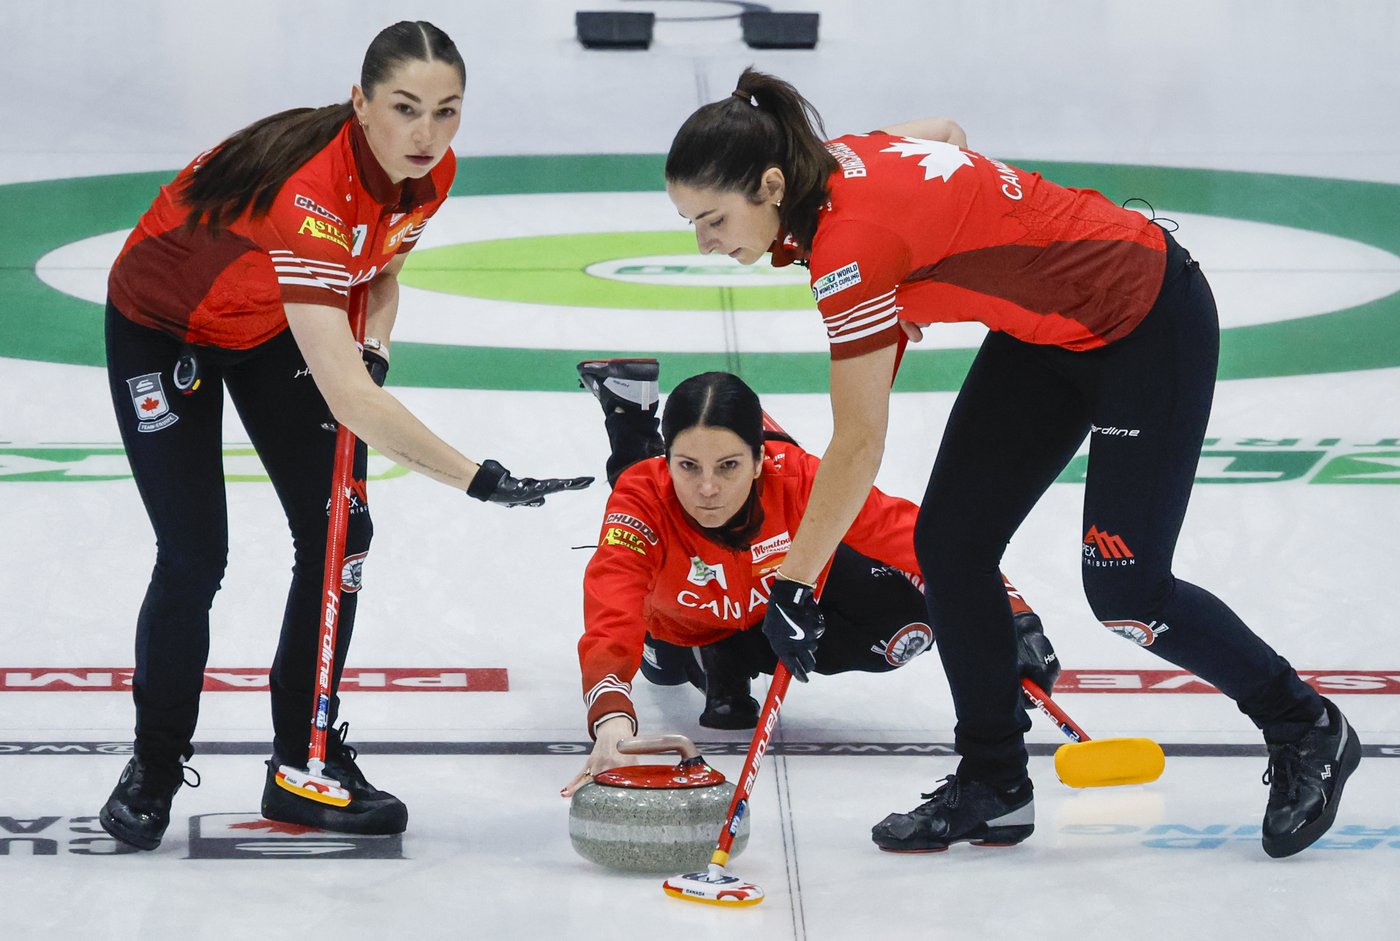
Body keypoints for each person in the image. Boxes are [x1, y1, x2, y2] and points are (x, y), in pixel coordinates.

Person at [663, 69, 1360, 859]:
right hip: (1047, 334)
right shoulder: (841, 157)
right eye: (692, 222)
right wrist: (914, 278)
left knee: (1128, 588)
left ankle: (1306, 723)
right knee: (951, 545)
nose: (706, 243)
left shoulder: (849, 254)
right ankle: (994, 780)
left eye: (714, 219)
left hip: (1147, 321)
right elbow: (946, 135)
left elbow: (858, 444)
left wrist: (795, 579)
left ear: (773, 184)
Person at [100, 21, 592, 852]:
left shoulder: (427, 176)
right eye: (406, 109)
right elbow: (351, 399)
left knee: (339, 529)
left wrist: (375, 344)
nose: (427, 134)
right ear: (362, 103)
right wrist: (477, 476)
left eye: (447, 112)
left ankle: (304, 760)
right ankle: (152, 764)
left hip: (267, 324)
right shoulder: (308, 193)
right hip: (164, 325)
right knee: (194, 553)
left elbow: (382, 269)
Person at [559, 360, 1059, 797]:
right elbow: (611, 606)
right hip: (683, 619)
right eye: (687, 465)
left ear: (759, 460)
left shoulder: (796, 477)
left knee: (902, 627)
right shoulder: (645, 498)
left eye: (729, 465)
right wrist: (611, 719)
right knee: (664, 664)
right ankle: (629, 421)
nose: (708, 488)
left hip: (776, 599)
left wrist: (1012, 620)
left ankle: (732, 654)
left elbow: (923, 541)